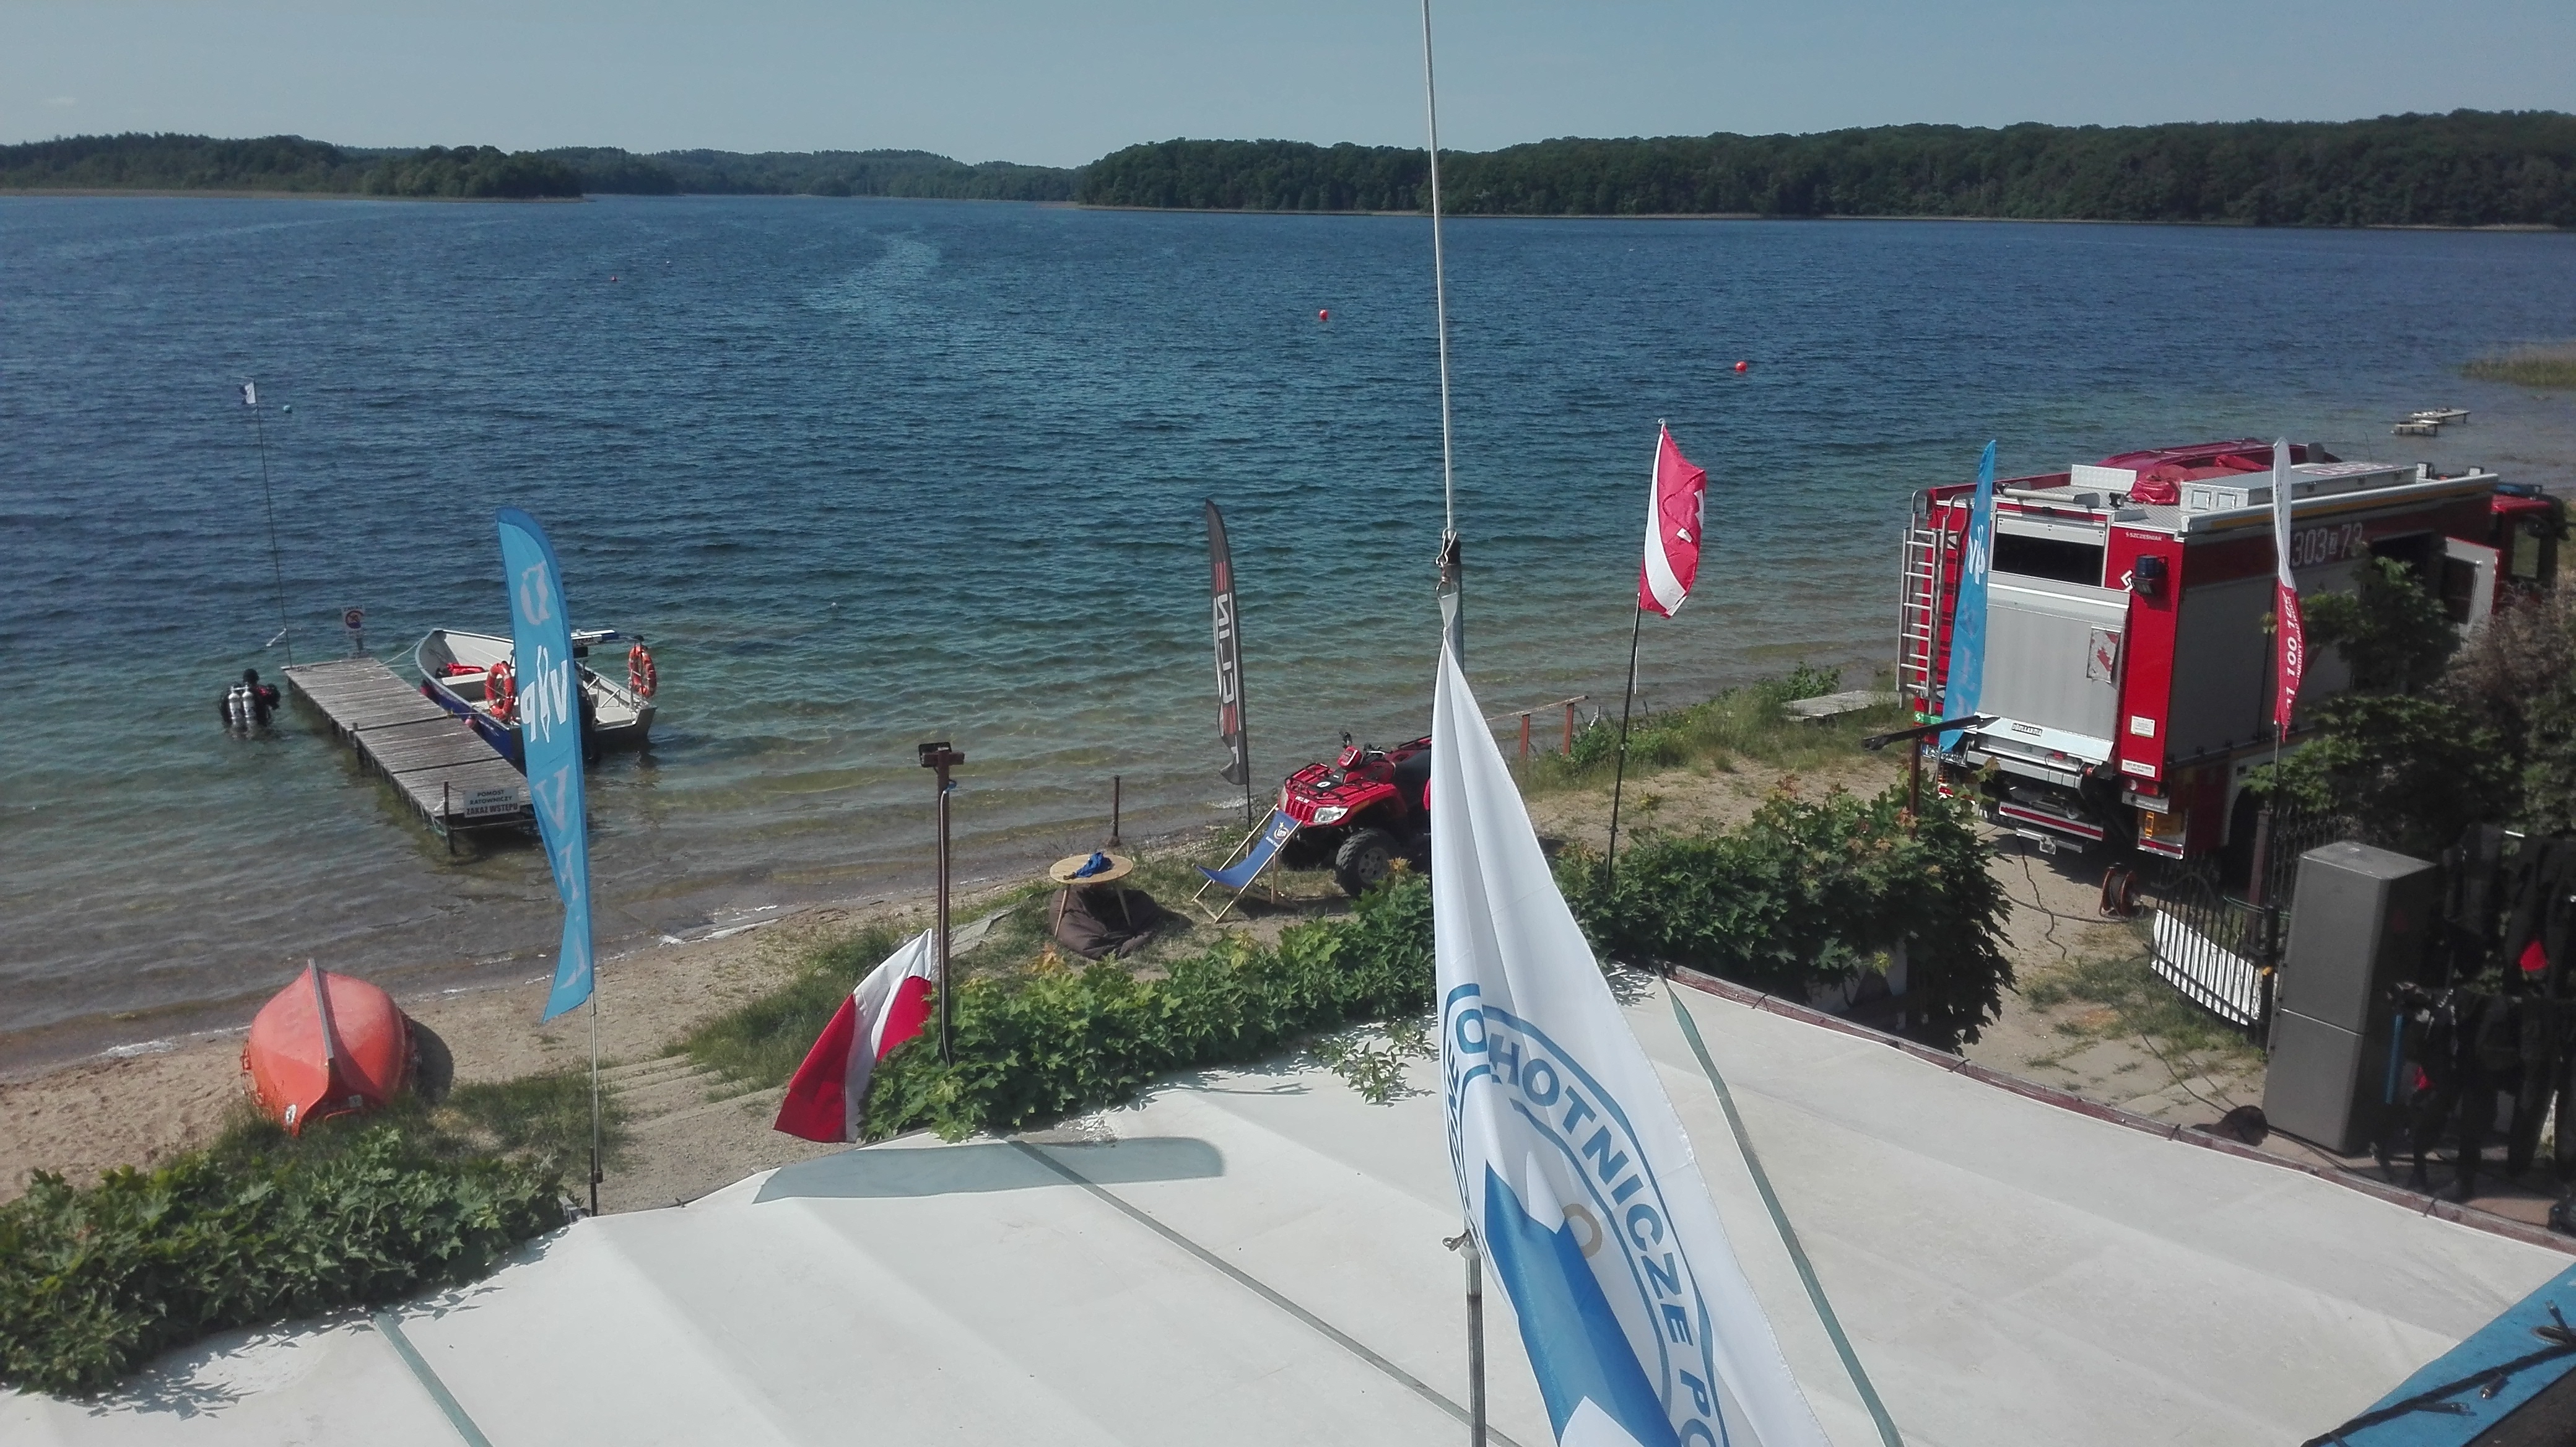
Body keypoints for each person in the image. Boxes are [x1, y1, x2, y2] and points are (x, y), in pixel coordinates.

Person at [220, 667, 283, 732]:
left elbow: (222, 708)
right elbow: (274, 698)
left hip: (239, 727)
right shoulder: (259, 690)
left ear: (244, 680)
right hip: (260, 725)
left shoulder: (235, 693)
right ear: (257, 679)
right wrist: (273, 688)